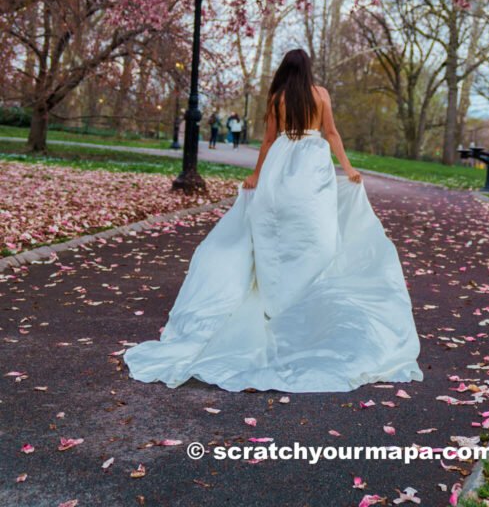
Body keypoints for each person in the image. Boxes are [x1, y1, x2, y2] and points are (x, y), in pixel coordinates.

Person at [123, 48, 423, 393]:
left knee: (276, 237)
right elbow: (332, 134)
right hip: (312, 167)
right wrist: (349, 168)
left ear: (285, 70)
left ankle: (275, 301)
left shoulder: (278, 98)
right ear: (308, 69)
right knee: (316, 235)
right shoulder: (321, 94)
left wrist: (256, 175)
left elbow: (268, 140)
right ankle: (305, 301)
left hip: (281, 166)